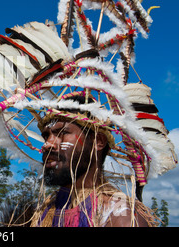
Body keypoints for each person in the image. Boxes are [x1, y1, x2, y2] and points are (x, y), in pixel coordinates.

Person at [31, 95, 157, 227]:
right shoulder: (43, 211)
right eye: (46, 136)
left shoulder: (119, 217)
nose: (47, 144)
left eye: (62, 133)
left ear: (98, 141)